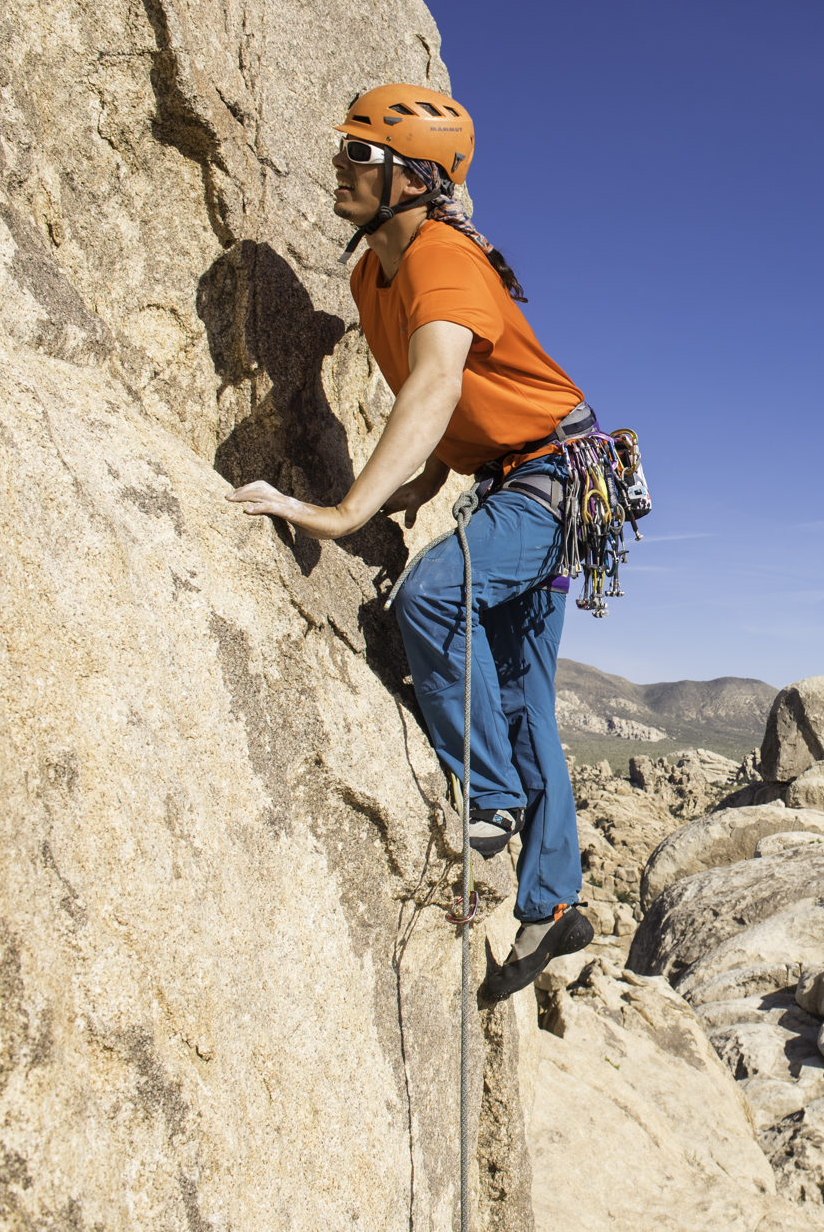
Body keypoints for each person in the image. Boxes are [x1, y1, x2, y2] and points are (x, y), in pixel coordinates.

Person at [226, 84, 592, 1001]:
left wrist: (346, 512)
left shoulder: (445, 258)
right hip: (526, 476)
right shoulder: (369, 276)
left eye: (358, 154)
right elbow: (447, 408)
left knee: (434, 594)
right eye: (345, 150)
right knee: (519, 690)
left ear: (414, 178)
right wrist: (424, 483)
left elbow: (432, 388)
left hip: (552, 475)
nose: (339, 167)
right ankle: (552, 907)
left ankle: (496, 801)